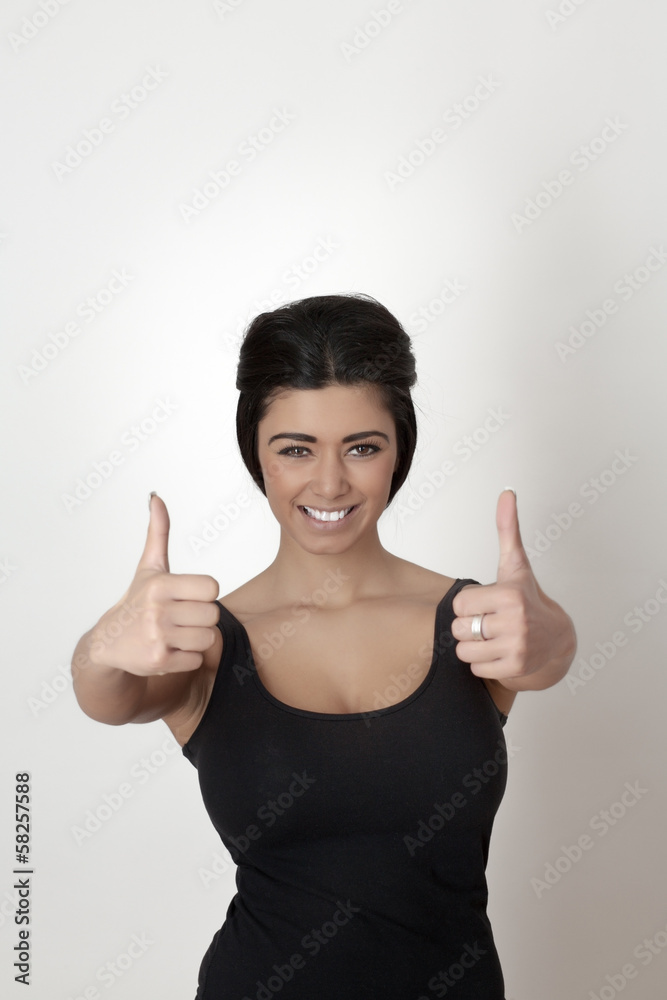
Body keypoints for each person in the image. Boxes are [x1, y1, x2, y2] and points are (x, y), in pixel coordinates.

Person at [71, 292, 576, 999]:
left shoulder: (478, 624)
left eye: (362, 447)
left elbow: (545, 657)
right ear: (256, 453)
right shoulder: (203, 640)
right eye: (295, 449)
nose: (330, 483)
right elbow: (108, 699)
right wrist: (102, 647)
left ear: (399, 450)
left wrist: (556, 634)